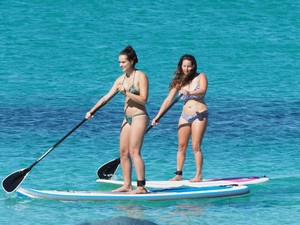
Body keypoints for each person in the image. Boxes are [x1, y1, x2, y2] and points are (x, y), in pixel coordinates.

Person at [86, 45, 149, 194]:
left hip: (139, 116)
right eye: (119, 62)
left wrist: (126, 92)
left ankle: (141, 186)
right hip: (127, 118)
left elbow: (143, 99)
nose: (121, 65)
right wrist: (92, 110)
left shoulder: (140, 76)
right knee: (123, 152)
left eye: (123, 62)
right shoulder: (120, 79)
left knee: (134, 151)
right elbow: (106, 97)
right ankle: (127, 185)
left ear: (132, 61)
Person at [152, 54, 208, 182]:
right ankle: (178, 174)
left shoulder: (201, 77)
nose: (186, 69)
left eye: (189, 66)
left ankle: (198, 176)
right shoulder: (179, 81)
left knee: (195, 146)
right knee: (181, 146)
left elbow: (203, 91)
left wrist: (189, 92)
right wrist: (158, 116)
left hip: (199, 114)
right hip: (184, 115)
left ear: (193, 66)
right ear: (180, 66)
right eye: (184, 66)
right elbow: (168, 100)